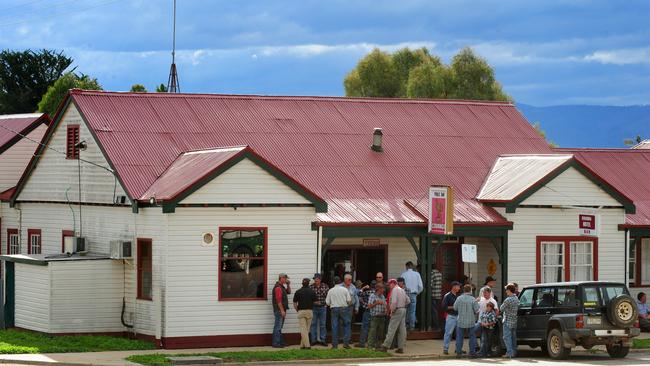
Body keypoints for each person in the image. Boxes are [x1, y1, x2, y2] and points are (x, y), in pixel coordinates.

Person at [378, 279, 410, 354]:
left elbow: (394, 302)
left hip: (397, 310)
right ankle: (400, 348)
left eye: (389, 285)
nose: (388, 286)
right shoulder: (401, 290)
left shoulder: (395, 290)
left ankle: (385, 346)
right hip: (403, 309)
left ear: (393, 284)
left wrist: (392, 311)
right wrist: (402, 305)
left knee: (391, 328)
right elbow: (408, 300)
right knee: (402, 330)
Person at [326, 276, 352, 349]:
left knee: (334, 327)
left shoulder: (330, 291)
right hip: (344, 308)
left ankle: (334, 345)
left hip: (334, 309)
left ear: (334, 282)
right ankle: (346, 344)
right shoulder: (345, 289)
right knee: (347, 325)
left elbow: (327, 303)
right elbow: (349, 301)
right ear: (340, 281)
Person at [454, 284, 479, 358]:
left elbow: (455, 308)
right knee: (472, 337)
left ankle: (458, 353)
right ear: (470, 290)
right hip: (471, 320)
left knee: (459, 337)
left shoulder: (459, 298)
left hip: (460, 320)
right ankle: (472, 353)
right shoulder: (473, 299)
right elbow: (477, 310)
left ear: (463, 290)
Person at [293, 278, 316, 349]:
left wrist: (297, 310)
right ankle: (305, 345)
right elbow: (315, 302)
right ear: (309, 283)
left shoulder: (298, 291)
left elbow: (294, 303)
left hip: (301, 311)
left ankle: (304, 345)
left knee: (303, 329)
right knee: (307, 329)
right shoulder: (312, 291)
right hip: (309, 311)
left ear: (302, 283)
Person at [400, 261, 423, 330]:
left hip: (405, 294)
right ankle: (412, 327)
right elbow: (421, 287)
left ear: (406, 267)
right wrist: (416, 293)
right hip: (413, 294)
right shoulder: (417, 274)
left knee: (405, 310)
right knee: (412, 311)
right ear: (412, 266)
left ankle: (405, 326)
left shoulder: (403, 274)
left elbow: (400, 285)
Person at [271, 273, 292, 348]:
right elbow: (278, 301)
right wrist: (282, 310)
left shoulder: (281, 287)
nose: (286, 280)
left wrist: (288, 285)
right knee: (278, 327)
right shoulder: (278, 288)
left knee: (279, 327)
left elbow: (289, 292)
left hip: (281, 310)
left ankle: (280, 342)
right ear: (281, 278)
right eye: (286, 279)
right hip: (279, 310)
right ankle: (276, 343)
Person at [500, 283, 520, 358]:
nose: (506, 291)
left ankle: (509, 353)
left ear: (509, 290)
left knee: (506, 337)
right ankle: (514, 352)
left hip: (507, 320)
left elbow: (501, 308)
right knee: (513, 337)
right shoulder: (516, 299)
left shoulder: (508, 300)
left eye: (506, 290)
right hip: (514, 320)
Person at [441, 281, 461, 355]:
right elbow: (444, 307)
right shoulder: (447, 295)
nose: (459, 288)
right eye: (458, 286)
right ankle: (445, 349)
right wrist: (454, 307)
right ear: (454, 287)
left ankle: (458, 349)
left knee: (459, 333)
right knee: (448, 333)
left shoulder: (459, 295)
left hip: (458, 316)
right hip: (451, 316)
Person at [310, 273, 329, 346]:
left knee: (323, 324)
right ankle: (313, 340)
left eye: (317, 279)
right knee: (313, 324)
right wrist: (314, 302)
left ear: (320, 279)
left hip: (322, 307)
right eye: (314, 279)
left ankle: (323, 340)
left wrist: (324, 303)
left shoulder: (325, 286)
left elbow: (328, 297)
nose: (315, 280)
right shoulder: (311, 287)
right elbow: (309, 298)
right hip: (314, 307)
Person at [367, 282, 387, 349]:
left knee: (380, 333)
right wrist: (376, 303)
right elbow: (369, 306)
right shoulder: (372, 296)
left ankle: (378, 346)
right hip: (375, 317)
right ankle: (370, 346)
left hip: (382, 316)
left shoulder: (383, 296)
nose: (383, 290)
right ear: (378, 289)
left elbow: (385, 305)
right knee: (372, 332)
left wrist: (385, 309)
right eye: (382, 288)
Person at [357, 280, 374, 348]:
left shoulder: (367, 292)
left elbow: (358, 294)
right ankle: (371, 343)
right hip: (375, 312)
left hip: (367, 311)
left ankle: (362, 343)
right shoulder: (378, 293)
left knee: (364, 327)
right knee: (373, 328)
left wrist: (363, 288)